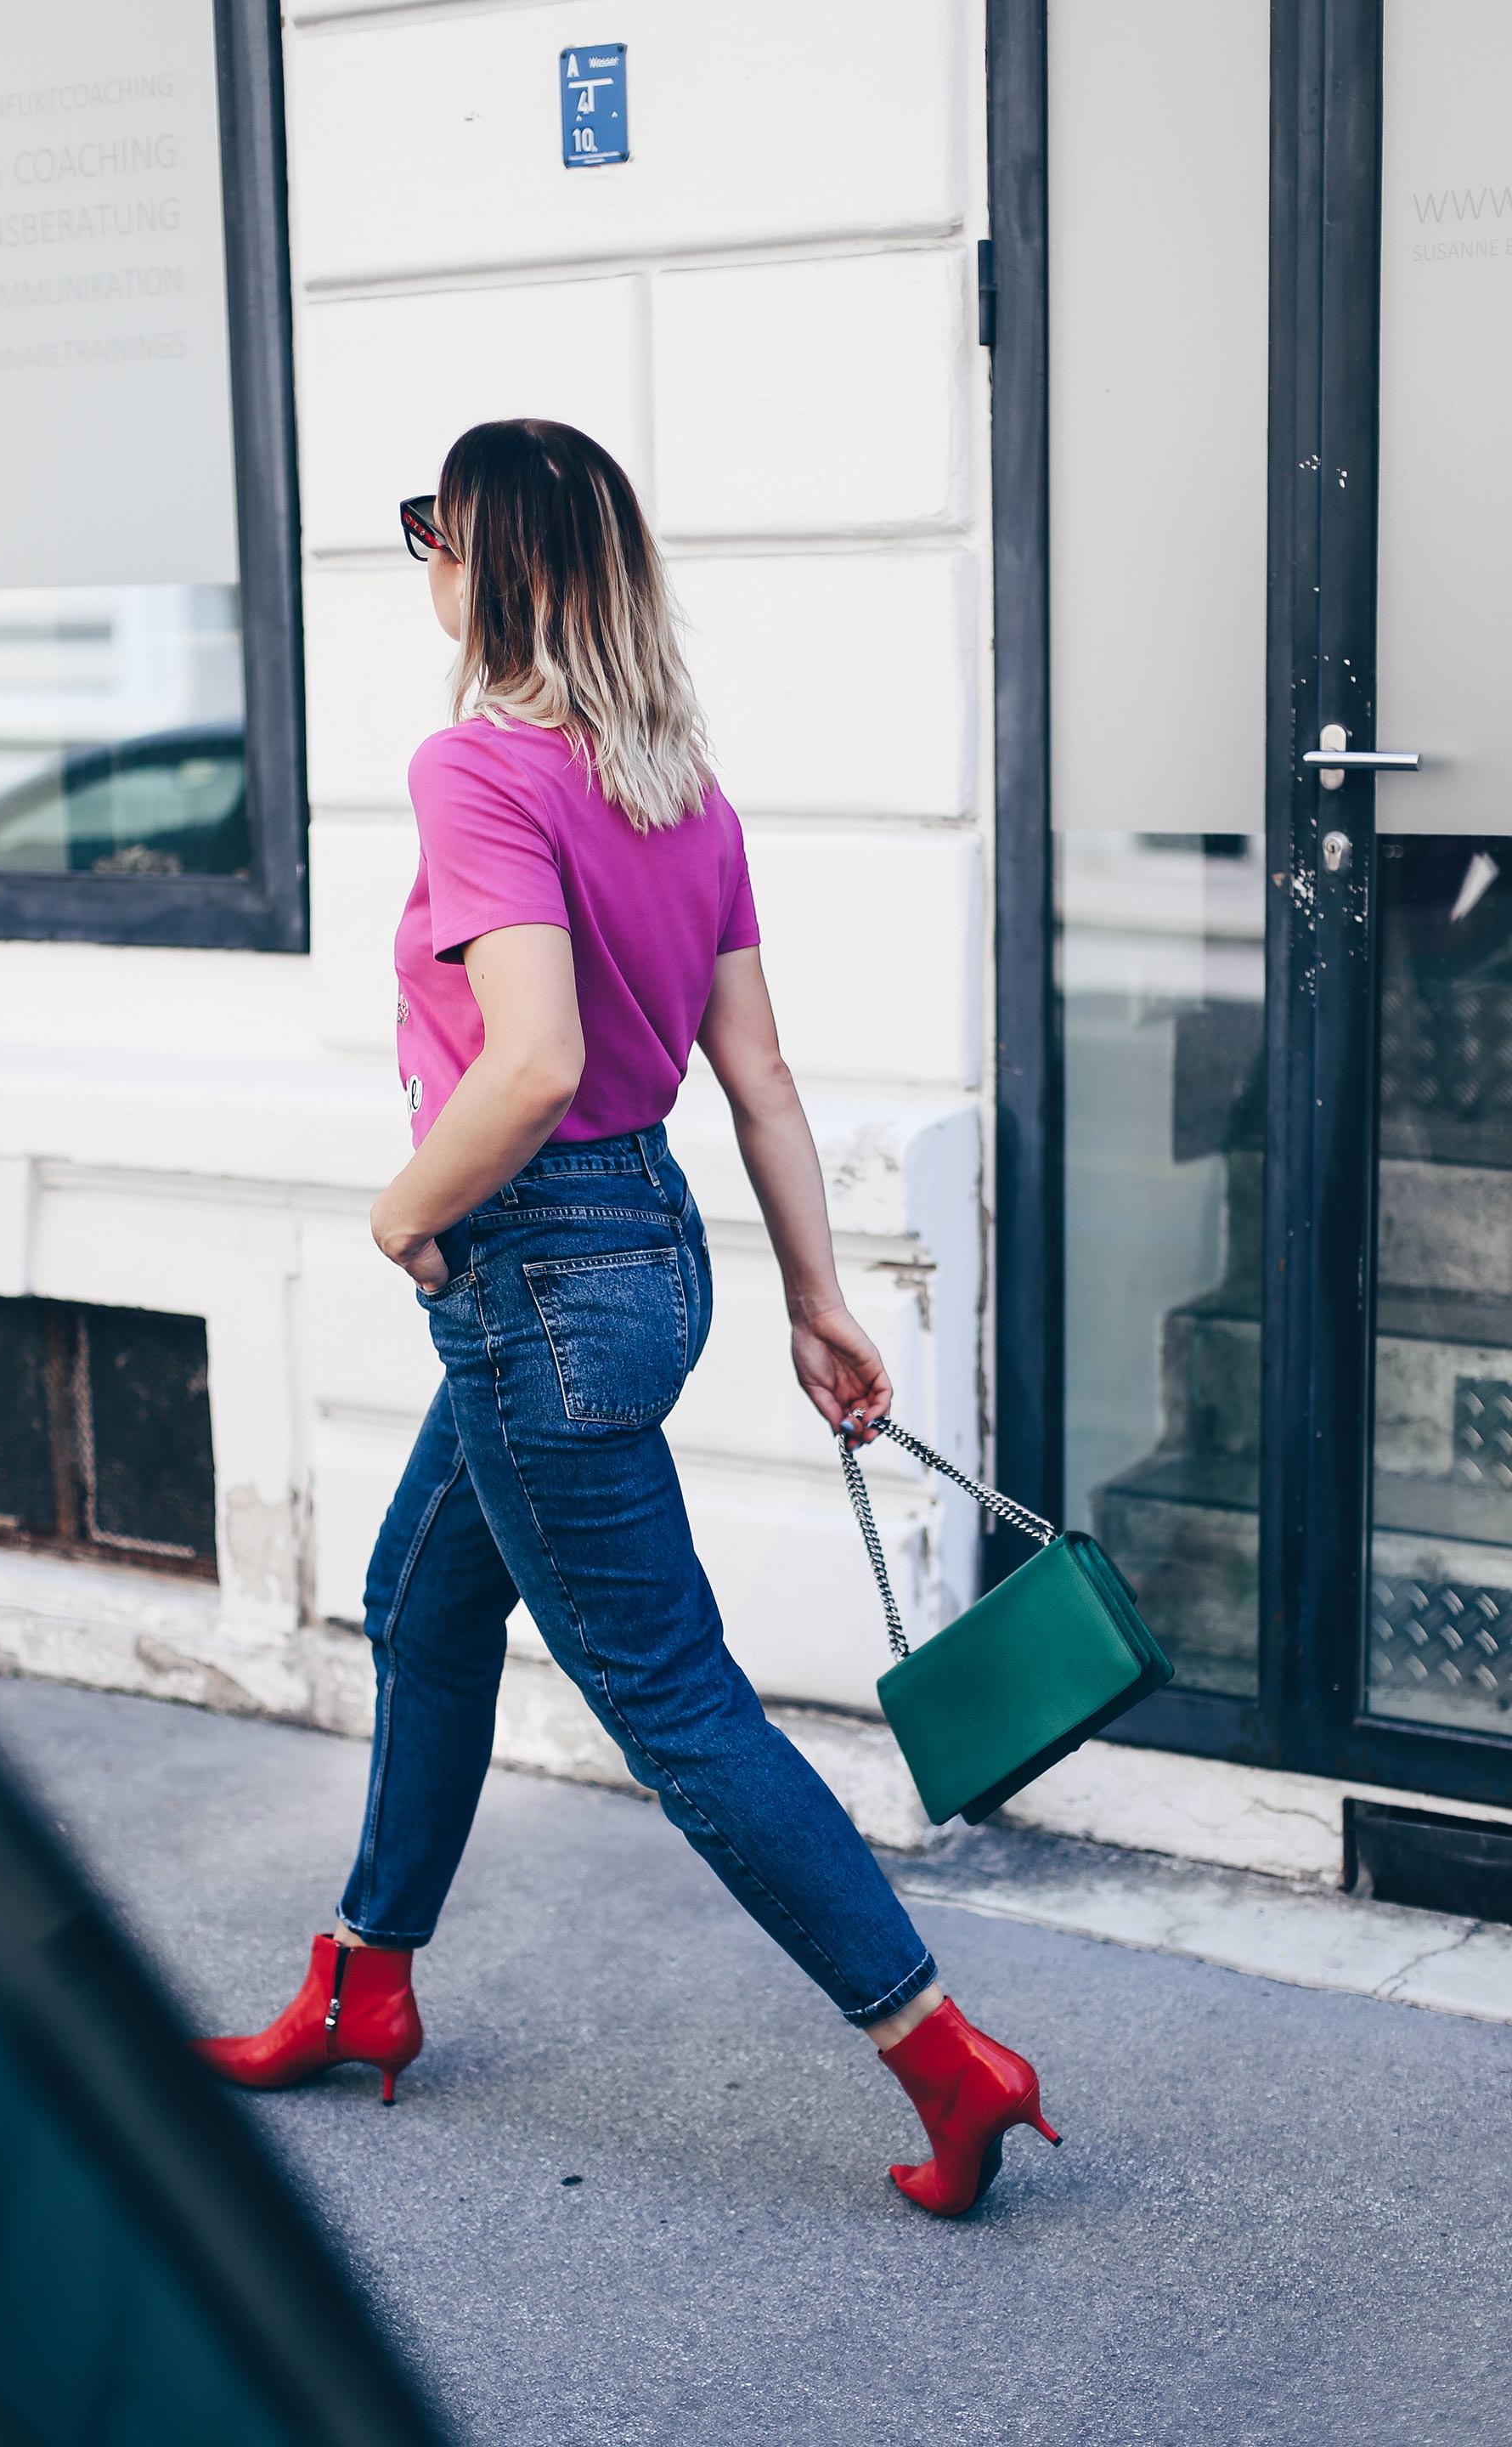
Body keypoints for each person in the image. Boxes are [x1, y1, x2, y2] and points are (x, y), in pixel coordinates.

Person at [195, 421, 1059, 2216]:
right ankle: (365, 1982)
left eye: (433, 523)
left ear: (491, 563)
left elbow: (533, 1064)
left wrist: (398, 1211)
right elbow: (755, 1077)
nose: (419, 551)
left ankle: (947, 2059)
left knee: (676, 1706)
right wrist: (816, 1298)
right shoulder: (687, 792)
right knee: (420, 1604)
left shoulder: (477, 773)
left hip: (530, 1281)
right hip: (646, 1251)